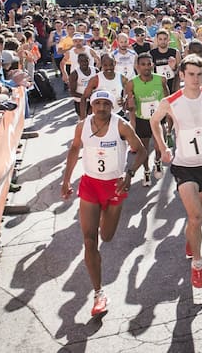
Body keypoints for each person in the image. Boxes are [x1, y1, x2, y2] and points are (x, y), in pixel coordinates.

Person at [150, 55, 202, 288]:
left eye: (200, 75)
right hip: (185, 166)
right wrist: (163, 146)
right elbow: (154, 121)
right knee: (196, 216)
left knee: (198, 213)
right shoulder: (171, 101)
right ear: (181, 75)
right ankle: (197, 264)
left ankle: (192, 236)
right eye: (191, 75)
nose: (196, 79)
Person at [61, 90, 146, 316]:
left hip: (114, 187)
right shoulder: (82, 126)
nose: (101, 108)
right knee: (90, 241)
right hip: (89, 185)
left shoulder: (121, 125)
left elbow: (141, 152)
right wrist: (66, 180)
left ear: (112, 106)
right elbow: (73, 149)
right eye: (97, 103)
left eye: (105, 104)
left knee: (106, 236)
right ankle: (98, 294)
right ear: (91, 105)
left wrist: (129, 175)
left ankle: (102, 214)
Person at [125, 53, 170, 185]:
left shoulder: (161, 80)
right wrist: (132, 123)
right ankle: (146, 170)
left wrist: (169, 119)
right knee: (143, 149)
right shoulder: (132, 83)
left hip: (157, 119)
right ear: (138, 67)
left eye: (149, 64)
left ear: (153, 65)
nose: (146, 67)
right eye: (143, 64)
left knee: (158, 145)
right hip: (142, 120)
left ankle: (157, 161)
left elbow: (167, 100)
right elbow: (130, 105)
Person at [82, 54, 127, 119]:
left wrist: (124, 100)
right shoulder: (95, 79)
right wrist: (83, 118)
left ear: (115, 63)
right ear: (101, 64)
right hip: (99, 115)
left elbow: (129, 93)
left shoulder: (122, 78)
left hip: (117, 114)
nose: (108, 68)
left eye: (111, 64)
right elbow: (84, 98)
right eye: (105, 65)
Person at [69, 53, 97, 118]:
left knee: (94, 119)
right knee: (84, 121)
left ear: (89, 61)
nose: (84, 63)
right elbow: (72, 93)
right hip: (80, 101)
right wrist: (85, 96)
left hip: (93, 101)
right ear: (78, 62)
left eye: (86, 61)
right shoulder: (74, 74)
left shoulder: (95, 71)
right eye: (81, 61)